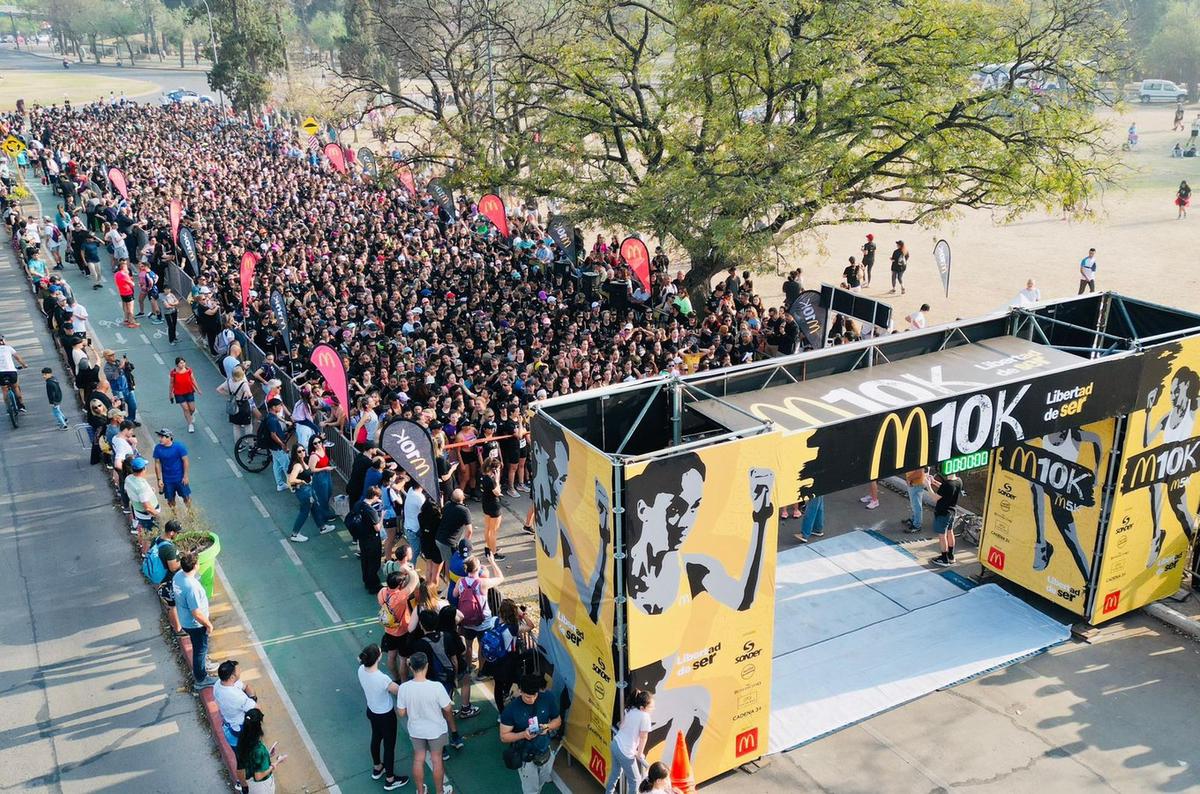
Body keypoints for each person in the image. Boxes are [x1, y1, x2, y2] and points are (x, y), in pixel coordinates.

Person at [396, 651, 459, 794]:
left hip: (416, 730)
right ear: (427, 666)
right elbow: (448, 708)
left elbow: (401, 712)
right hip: (436, 730)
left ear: (411, 667)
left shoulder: (404, 688)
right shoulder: (436, 687)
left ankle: (420, 790)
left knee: (418, 759)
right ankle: (440, 791)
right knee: (437, 760)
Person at [357, 643, 410, 791]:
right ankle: (390, 779)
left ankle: (377, 767)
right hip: (386, 716)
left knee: (376, 738)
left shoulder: (361, 670)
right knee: (389, 746)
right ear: (378, 658)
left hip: (372, 711)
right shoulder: (382, 678)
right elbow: (398, 690)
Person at [499, 676, 562, 794]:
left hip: (545, 752)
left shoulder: (547, 698)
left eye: (535, 695)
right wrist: (523, 734)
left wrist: (547, 727)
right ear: (520, 691)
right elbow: (504, 736)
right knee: (531, 791)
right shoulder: (511, 710)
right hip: (525, 757)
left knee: (541, 782)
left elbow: (557, 720)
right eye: (528, 696)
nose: (532, 699)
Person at [173, 551, 216, 689]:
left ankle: (202, 664)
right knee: (200, 649)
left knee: (198, 647)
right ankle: (201, 679)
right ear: (196, 565)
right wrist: (208, 624)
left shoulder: (178, 576)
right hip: (195, 624)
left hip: (184, 620)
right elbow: (196, 612)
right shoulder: (192, 587)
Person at [214, 659, 258, 793]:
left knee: (243, 758)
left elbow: (246, 686)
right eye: (238, 671)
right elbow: (257, 709)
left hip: (228, 727)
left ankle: (244, 781)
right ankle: (244, 786)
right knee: (242, 761)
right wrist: (253, 700)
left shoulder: (219, 684)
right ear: (232, 676)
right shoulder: (236, 697)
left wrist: (251, 697)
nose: (240, 671)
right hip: (239, 732)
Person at [605, 690, 653, 794]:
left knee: (615, 773)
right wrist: (639, 754)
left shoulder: (632, 710)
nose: (652, 709)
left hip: (615, 744)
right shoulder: (645, 717)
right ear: (642, 707)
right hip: (625, 751)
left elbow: (622, 726)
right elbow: (643, 737)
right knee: (635, 781)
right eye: (650, 707)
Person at [378, 568, 419, 682]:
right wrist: (408, 569)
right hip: (402, 631)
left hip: (389, 630)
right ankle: (404, 681)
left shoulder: (382, 592)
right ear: (399, 584)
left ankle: (396, 678)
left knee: (391, 656)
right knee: (403, 659)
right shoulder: (400, 597)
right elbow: (414, 580)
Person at [234, 709, 285, 793]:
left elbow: (241, 767)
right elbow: (258, 776)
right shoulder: (259, 749)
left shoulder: (241, 741)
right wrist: (275, 764)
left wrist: (267, 755)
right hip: (262, 787)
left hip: (250, 784)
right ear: (259, 726)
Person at [285, 444, 325, 542]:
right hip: (304, 491)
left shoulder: (303, 461)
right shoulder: (298, 465)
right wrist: (302, 481)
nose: (302, 452)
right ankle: (295, 534)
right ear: (295, 453)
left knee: (314, 507)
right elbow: (291, 479)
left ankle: (322, 527)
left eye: (303, 450)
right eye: (299, 451)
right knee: (304, 512)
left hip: (308, 490)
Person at [152, 427, 192, 514]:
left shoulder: (179, 447)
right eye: (160, 437)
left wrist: (185, 476)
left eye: (162, 437)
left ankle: (191, 513)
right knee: (170, 500)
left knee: (186, 497)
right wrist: (159, 479)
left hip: (179, 478)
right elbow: (157, 463)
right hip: (167, 480)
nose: (160, 439)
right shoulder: (158, 448)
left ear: (169, 437)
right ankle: (174, 515)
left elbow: (185, 460)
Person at [928, 470, 963, 566]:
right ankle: (951, 556)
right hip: (952, 511)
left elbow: (934, 497)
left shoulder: (947, 485)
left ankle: (944, 558)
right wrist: (934, 482)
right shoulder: (958, 481)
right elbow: (946, 489)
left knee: (942, 536)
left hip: (943, 512)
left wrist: (928, 485)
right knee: (950, 532)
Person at [435, 489, 473, 574]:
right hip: (448, 543)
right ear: (463, 498)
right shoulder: (464, 511)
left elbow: (442, 511)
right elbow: (469, 530)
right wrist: (466, 543)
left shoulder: (448, 505)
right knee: (450, 564)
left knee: (445, 560)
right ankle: (450, 583)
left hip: (439, 538)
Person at [124, 457, 160, 544]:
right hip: (149, 517)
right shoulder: (141, 487)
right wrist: (158, 515)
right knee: (154, 538)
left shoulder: (129, 478)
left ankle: (144, 549)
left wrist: (150, 491)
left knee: (145, 532)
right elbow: (147, 507)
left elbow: (126, 490)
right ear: (144, 469)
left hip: (139, 513)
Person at [479, 457, 505, 560]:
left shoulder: (482, 476)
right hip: (494, 505)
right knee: (494, 530)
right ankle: (493, 553)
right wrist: (497, 480)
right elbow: (497, 492)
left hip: (486, 504)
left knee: (487, 527)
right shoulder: (491, 479)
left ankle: (488, 546)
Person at [263, 397, 290, 490]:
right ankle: (292, 485)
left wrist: (286, 421)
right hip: (277, 446)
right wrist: (282, 445)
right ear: (273, 407)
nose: (280, 407)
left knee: (277, 465)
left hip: (272, 446)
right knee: (286, 465)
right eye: (279, 406)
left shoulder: (270, 416)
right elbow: (273, 435)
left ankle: (280, 484)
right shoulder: (272, 420)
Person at [168, 356, 201, 432]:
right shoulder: (174, 373)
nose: (182, 364)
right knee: (186, 409)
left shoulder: (188, 370)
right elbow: (171, 383)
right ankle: (190, 424)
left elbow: (193, 380)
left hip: (189, 391)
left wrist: (198, 389)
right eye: (180, 363)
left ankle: (191, 415)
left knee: (192, 409)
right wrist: (170, 394)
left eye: (183, 362)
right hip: (179, 393)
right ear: (177, 364)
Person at [0, 334, 28, 413]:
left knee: (4, 390)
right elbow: (17, 357)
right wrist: (24, 365)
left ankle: (8, 408)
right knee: (16, 387)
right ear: (3, 341)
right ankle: (21, 406)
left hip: (1, 373)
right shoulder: (8, 348)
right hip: (11, 371)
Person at [903, 468, 928, 533]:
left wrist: (908, 479)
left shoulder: (919, 460)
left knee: (916, 505)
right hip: (914, 483)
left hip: (916, 483)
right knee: (914, 504)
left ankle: (917, 525)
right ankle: (914, 520)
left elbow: (919, 472)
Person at [114, 260, 138, 328]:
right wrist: (130, 278)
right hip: (128, 292)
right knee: (130, 308)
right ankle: (132, 322)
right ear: (123, 267)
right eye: (126, 267)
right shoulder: (124, 275)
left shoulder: (117, 274)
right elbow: (132, 284)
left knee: (125, 306)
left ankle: (126, 319)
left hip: (122, 292)